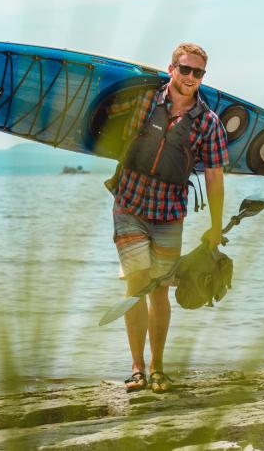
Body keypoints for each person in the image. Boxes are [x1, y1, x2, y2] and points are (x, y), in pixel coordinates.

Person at [109, 42, 229, 393]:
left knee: (158, 289)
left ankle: (158, 368)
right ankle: (136, 369)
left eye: (198, 72)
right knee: (136, 284)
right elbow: (111, 128)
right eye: (185, 69)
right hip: (129, 205)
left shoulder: (208, 122)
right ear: (172, 68)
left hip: (168, 214)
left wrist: (215, 226)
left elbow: (214, 176)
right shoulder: (144, 101)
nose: (191, 77)